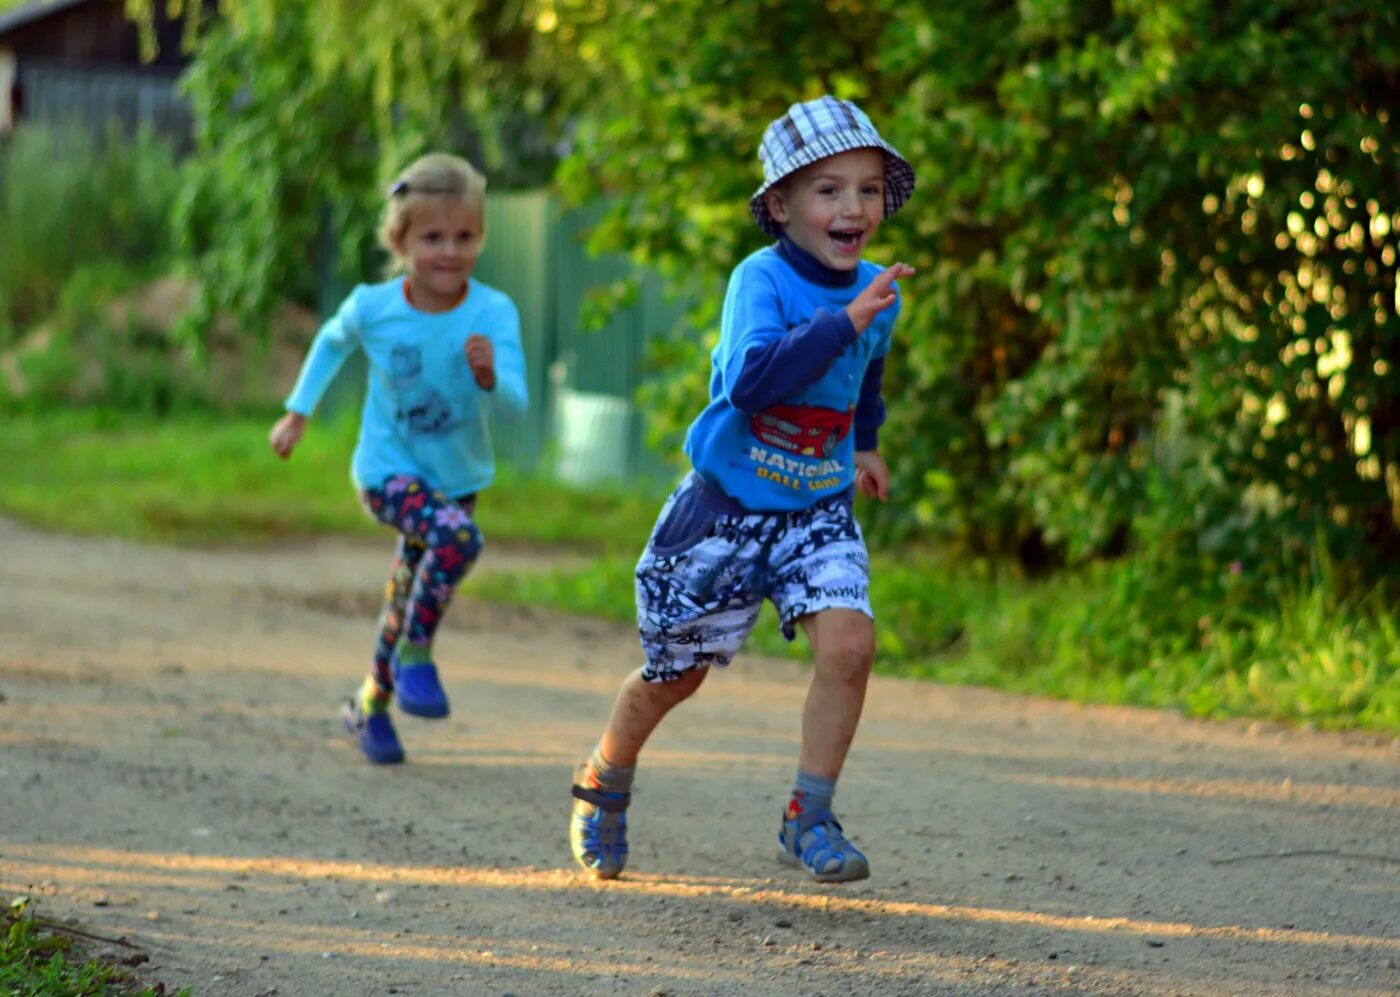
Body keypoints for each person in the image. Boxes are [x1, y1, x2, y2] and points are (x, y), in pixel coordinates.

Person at [569, 96, 915, 883]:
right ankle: (605, 774)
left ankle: (810, 815)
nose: (852, 206)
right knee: (676, 675)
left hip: (818, 510)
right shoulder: (757, 281)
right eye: (828, 190)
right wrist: (845, 321)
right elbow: (754, 383)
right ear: (782, 205)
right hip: (727, 513)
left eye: (866, 189)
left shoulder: (876, 291)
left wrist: (865, 443)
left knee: (852, 644)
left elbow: (868, 375)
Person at [269, 152, 528, 765]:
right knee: (458, 539)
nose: (449, 251)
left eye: (464, 236)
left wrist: (490, 377)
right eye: (432, 236)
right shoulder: (373, 307)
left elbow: (516, 409)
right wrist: (298, 411)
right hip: (386, 472)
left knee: (408, 584)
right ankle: (417, 654)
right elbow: (331, 345)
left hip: (458, 474)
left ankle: (370, 705)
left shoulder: (493, 314)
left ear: (481, 237)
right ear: (400, 239)